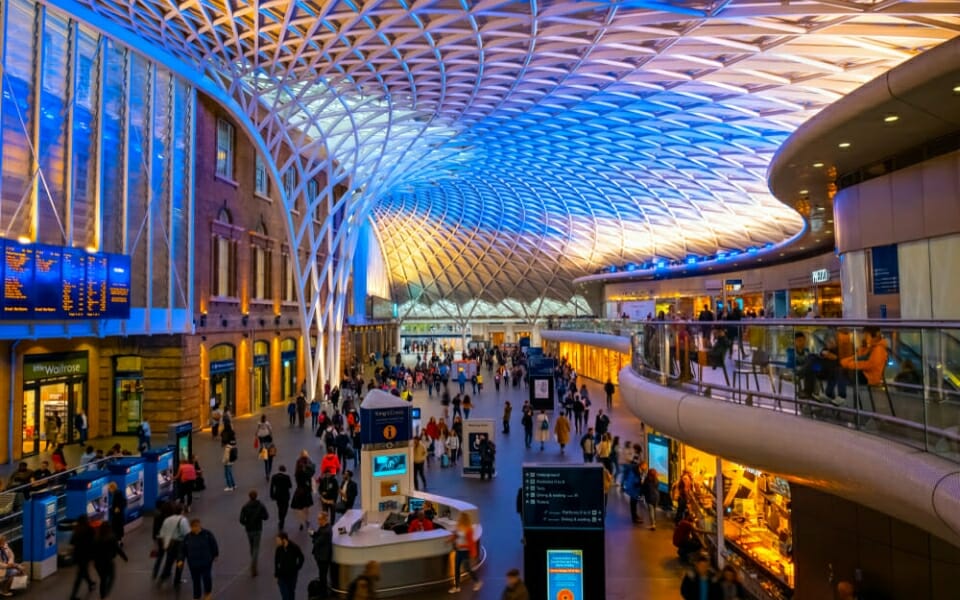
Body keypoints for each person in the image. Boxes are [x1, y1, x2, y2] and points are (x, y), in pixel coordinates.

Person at [182, 518, 219, 600]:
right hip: (193, 563)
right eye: (193, 527)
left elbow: (213, 544)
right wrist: (180, 559)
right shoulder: (187, 537)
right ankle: (196, 596)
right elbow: (183, 549)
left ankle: (207, 593)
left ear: (199, 526)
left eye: (196, 526)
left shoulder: (207, 534)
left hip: (206, 561)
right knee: (195, 580)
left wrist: (215, 554)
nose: (195, 528)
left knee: (207, 577)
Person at [155, 504, 190, 588]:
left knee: (169, 562)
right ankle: (177, 580)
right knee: (180, 561)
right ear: (181, 511)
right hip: (180, 543)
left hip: (170, 543)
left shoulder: (167, 519)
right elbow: (186, 533)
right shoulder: (183, 520)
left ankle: (162, 577)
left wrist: (164, 544)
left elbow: (162, 533)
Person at [92, 522, 128, 599]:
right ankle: (105, 593)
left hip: (97, 563)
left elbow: (92, 551)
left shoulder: (96, 538)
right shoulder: (111, 538)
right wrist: (124, 557)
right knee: (112, 577)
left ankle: (102, 595)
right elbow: (118, 549)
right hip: (107, 562)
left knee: (103, 579)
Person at [449, 512, 481, 593]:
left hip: (465, 552)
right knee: (456, 568)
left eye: (461, 517)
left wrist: (462, 546)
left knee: (467, 568)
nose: (459, 518)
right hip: (458, 551)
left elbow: (470, 543)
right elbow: (456, 535)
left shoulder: (469, 530)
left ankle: (477, 582)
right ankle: (457, 587)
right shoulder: (459, 527)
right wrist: (450, 539)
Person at [239, 489, 269, 577]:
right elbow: (266, 516)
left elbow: (241, 520)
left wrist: (246, 523)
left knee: (251, 546)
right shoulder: (260, 505)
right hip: (258, 528)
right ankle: (254, 563)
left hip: (249, 529)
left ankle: (253, 559)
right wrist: (260, 517)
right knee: (256, 547)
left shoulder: (245, 506)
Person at [68, 514, 96, 600]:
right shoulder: (90, 529)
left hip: (78, 555)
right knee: (80, 575)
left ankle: (90, 583)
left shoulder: (77, 530)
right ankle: (73, 596)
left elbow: (71, 542)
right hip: (86, 555)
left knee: (83, 571)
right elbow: (93, 542)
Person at [274, 531, 305, 600]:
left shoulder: (294, 547)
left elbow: (301, 557)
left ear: (284, 540)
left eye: (278, 540)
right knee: (285, 596)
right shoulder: (278, 549)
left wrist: (297, 567)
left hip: (292, 575)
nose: (277, 542)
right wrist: (276, 574)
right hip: (282, 576)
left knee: (291, 593)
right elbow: (276, 562)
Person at [309, 513, 333, 598]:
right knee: (322, 574)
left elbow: (317, 541)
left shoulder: (326, 531)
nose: (318, 521)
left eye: (319, 519)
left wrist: (313, 536)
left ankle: (323, 593)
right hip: (322, 556)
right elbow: (318, 535)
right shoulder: (325, 527)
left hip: (323, 557)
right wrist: (313, 533)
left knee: (322, 575)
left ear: (324, 520)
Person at [270, 465, 293, 530]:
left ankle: (281, 519)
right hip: (285, 495)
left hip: (278, 495)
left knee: (280, 507)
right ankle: (282, 518)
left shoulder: (274, 476)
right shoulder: (287, 477)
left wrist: (272, 495)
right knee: (285, 508)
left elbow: (272, 487)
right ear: (284, 470)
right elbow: (290, 486)